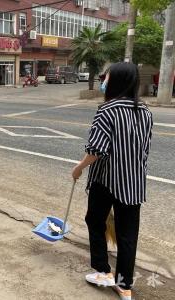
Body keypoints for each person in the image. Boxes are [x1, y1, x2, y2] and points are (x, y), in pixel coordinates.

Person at [72, 62, 153, 300]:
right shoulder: (146, 111)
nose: (103, 80)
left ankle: (103, 271)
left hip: (106, 179)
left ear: (114, 80)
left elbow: (97, 149)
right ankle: (124, 285)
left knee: (95, 220)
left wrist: (78, 167)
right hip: (134, 182)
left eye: (105, 76)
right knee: (128, 234)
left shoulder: (107, 110)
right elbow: (144, 148)